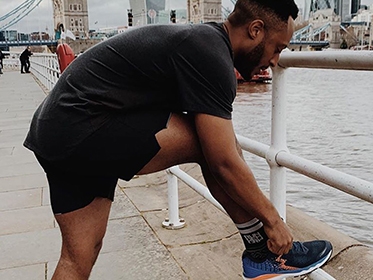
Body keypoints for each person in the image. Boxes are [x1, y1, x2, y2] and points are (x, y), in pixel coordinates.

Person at [24, 0, 333, 279]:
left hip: (55, 131)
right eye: (277, 48)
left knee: (79, 258)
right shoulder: (212, 54)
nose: (276, 61)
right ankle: (260, 250)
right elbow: (223, 161)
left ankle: (258, 250)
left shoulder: (201, 41)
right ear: (255, 30)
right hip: (81, 127)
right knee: (210, 145)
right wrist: (273, 221)